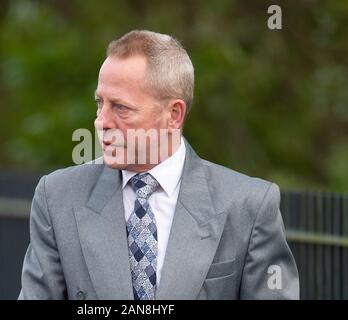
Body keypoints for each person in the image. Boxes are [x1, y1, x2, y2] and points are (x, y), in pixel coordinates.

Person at [18, 30, 299, 300]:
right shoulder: (57, 197)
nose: (101, 122)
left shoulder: (248, 206)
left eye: (120, 107)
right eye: (99, 103)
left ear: (174, 114)